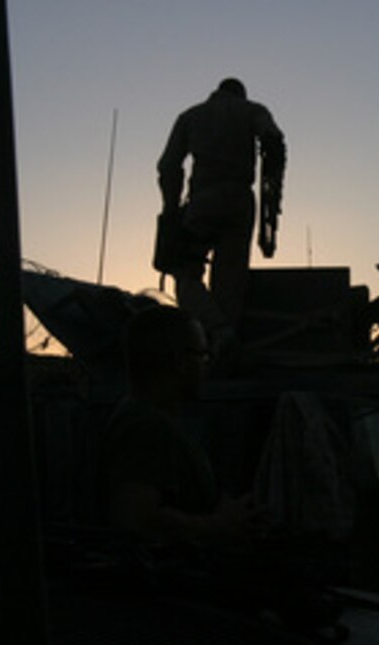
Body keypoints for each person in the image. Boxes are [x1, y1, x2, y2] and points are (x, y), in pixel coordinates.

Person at [102, 304, 268, 544]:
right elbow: (136, 522)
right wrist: (219, 525)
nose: (206, 364)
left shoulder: (149, 420)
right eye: (202, 355)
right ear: (179, 361)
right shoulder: (145, 428)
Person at [156, 77, 286, 355]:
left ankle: (217, 332)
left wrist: (170, 211)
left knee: (185, 271)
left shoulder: (191, 116)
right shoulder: (253, 110)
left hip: (204, 202)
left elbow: (168, 166)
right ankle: (224, 344)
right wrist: (270, 202)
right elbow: (274, 139)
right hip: (240, 201)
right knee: (230, 283)